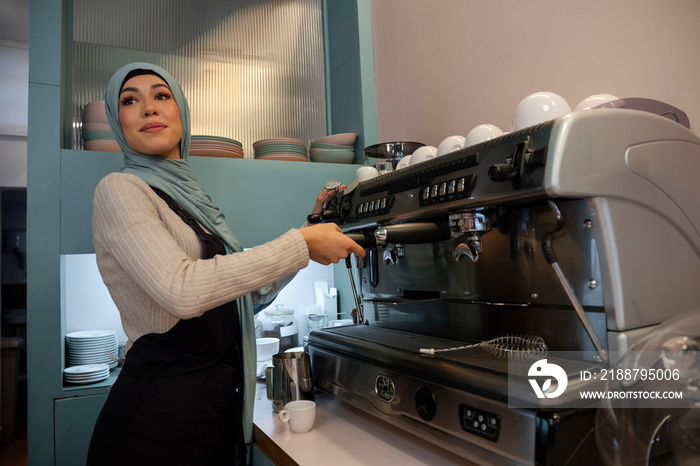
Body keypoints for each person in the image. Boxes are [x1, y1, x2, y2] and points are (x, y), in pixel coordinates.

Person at [86, 62, 365, 465]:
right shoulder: (120, 190)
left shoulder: (191, 200)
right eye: (131, 100)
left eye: (161, 96)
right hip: (155, 424)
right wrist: (301, 244)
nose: (149, 108)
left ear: (181, 110)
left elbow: (244, 299)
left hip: (210, 410)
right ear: (118, 121)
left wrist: (310, 228)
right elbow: (182, 290)